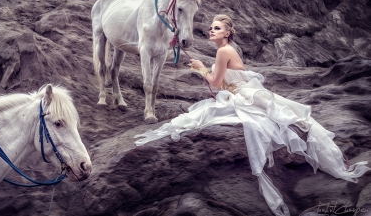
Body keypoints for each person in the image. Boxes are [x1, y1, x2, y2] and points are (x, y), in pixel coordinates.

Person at [134, 14, 370, 216]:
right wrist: (204, 68)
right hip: (242, 93)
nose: (211, 30)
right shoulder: (224, 50)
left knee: (216, 117)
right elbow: (223, 83)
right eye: (211, 27)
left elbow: (216, 83)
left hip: (246, 95)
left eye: (217, 28)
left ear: (227, 33)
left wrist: (201, 69)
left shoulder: (224, 50)